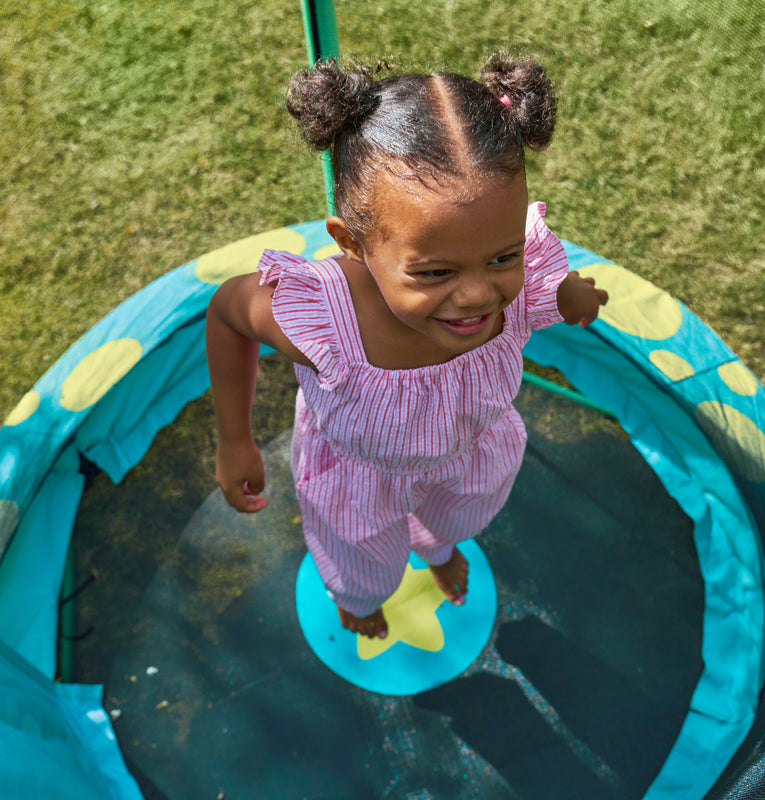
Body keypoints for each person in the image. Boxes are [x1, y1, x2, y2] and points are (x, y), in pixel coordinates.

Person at [206, 54, 608, 641]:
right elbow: (226, 315)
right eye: (435, 271)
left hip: (469, 455)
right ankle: (361, 597)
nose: (476, 295)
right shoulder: (321, 315)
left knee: (454, 516)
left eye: (502, 257)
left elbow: (548, 279)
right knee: (359, 559)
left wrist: (570, 295)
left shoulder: (517, 276)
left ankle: (438, 546)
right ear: (353, 242)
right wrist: (235, 438)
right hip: (356, 477)